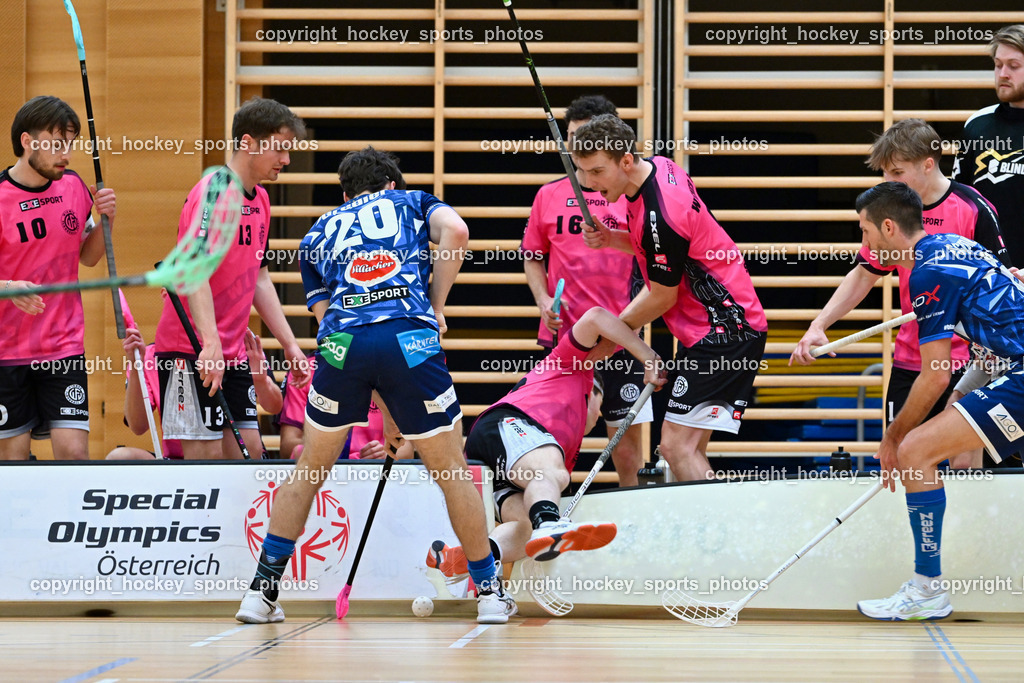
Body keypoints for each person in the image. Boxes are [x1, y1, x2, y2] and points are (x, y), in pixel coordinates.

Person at [236, 146, 516, 625]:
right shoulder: (410, 202)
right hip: (409, 337)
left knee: (309, 467)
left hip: (345, 343)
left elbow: (335, 331)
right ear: (391, 184)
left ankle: (259, 594)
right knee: (450, 469)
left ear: (345, 192)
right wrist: (436, 304)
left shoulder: (317, 233)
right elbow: (458, 231)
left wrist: (388, 416)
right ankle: (489, 593)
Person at [848, 182, 1024, 621]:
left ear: (888, 227)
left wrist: (891, 437)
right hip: (1012, 370)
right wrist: (963, 394)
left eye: (865, 232)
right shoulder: (952, 246)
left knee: (914, 451)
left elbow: (933, 374)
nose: (864, 244)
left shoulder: (927, 273)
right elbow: (996, 333)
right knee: (926, 447)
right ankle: (927, 588)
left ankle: (927, 590)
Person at [791, 119, 1011, 468]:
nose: (889, 182)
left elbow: (1001, 283)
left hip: (967, 362)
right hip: (913, 358)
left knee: (964, 468)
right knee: (902, 461)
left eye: (897, 172)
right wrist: (820, 324)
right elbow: (864, 273)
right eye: (885, 174)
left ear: (928, 163)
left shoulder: (972, 208)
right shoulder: (890, 214)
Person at [571, 114, 768, 483]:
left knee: (676, 448)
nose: (587, 184)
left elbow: (662, 295)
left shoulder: (661, 214)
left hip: (725, 330)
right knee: (688, 449)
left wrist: (611, 334)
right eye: (582, 172)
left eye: (596, 172)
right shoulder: (660, 167)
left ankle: (724, 538)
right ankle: (712, 535)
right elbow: (664, 250)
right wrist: (612, 239)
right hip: (715, 328)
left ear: (625, 161)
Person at [427, 306, 665, 583]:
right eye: (598, 406)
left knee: (529, 522)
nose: (598, 416)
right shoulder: (572, 367)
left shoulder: (566, 444)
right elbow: (595, 317)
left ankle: (474, 557)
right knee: (550, 477)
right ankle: (549, 526)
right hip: (509, 425)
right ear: (595, 394)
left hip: (498, 456)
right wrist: (649, 357)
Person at [154, 97, 310, 460]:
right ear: (247, 143)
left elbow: (260, 279)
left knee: (250, 454)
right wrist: (209, 344)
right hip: (190, 348)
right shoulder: (214, 193)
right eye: (280, 149)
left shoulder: (262, 201)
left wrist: (290, 345)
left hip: (233, 352)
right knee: (204, 460)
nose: (286, 160)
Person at [522, 95, 653, 487]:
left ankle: (633, 522)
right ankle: (550, 513)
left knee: (627, 449)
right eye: (571, 137)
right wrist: (543, 299)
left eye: (586, 137)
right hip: (567, 336)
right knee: (565, 430)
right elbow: (532, 255)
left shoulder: (631, 196)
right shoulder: (547, 194)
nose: (575, 146)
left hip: (623, 333)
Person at [0, 95, 116, 460]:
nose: (65, 154)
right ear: (27, 141)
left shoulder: (73, 186)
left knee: (74, 455)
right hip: (8, 352)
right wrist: (7, 288)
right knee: (12, 464)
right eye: (56, 144)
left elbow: (89, 257)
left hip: (63, 347)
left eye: (69, 145)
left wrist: (107, 222)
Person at [953, 25, 1024, 267]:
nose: (1003, 73)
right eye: (998, 64)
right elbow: (959, 204)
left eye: (1013, 66)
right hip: (986, 279)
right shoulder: (977, 125)